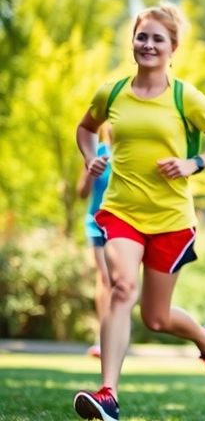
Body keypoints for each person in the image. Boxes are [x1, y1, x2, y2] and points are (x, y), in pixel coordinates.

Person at [73, 3, 205, 420]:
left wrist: (193, 164)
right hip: (121, 211)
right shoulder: (111, 93)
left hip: (170, 219)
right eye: (142, 36)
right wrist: (89, 158)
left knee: (156, 317)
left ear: (173, 48)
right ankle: (108, 394)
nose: (147, 44)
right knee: (121, 288)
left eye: (157, 38)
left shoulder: (186, 97)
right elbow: (85, 128)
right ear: (132, 40)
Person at [75, 123, 113, 359]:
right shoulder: (98, 151)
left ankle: (117, 333)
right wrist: (91, 170)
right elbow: (81, 192)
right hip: (96, 222)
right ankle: (103, 338)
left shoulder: (132, 155)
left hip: (125, 223)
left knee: (120, 282)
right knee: (105, 278)